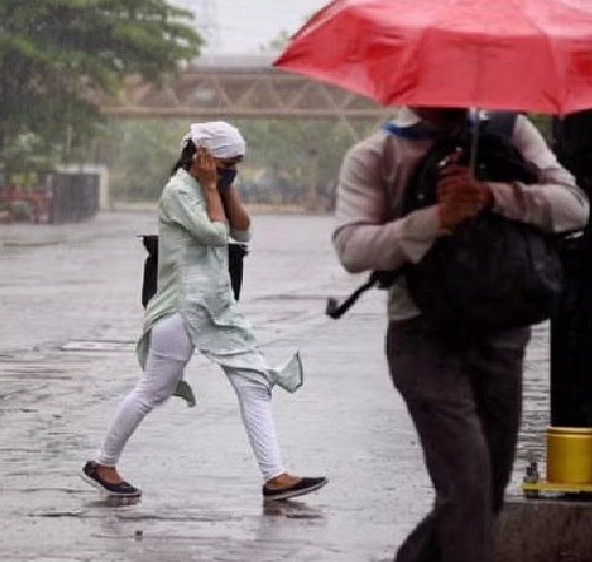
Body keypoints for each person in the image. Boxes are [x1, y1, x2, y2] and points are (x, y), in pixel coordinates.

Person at [333, 108, 590, 562]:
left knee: (483, 492)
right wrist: (436, 218)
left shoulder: (512, 131)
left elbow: (575, 207)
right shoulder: (377, 154)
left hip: (502, 331)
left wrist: (492, 195)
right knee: (468, 483)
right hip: (422, 336)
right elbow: (352, 248)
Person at [82, 122, 328, 500]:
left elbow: (241, 232)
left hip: (215, 307)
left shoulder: (213, 189)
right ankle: (103, 463)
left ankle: (275, 477)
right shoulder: (179, 191)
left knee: (253, 383)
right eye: (229, 163)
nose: (233, 170)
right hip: (182, 307)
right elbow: (214, 234)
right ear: (205, 157)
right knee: (154, 390)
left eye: (237, 164)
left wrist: (223, 188)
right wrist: (213, 188)